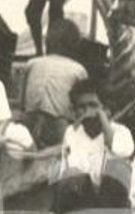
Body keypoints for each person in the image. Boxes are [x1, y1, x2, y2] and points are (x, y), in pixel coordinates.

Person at [53, 78, 135, 214]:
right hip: (85, 199)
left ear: (105, 109)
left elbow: (119, 150)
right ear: (75, 111)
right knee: (69, 176)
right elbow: (69, 170)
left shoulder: (121, 131)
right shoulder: (71, 132)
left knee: (118, 167)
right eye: (81, 107)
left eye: (93, 105)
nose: (87, 111)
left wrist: (102, 118)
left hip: (112, 203)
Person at [21, 19, 88, 147]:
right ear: (75, 44)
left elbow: (22, 102)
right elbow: (82, 108)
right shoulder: (79, 70)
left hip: (30, 123)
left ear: (48, 41)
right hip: (60, 127)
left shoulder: (32, 63)